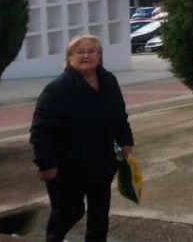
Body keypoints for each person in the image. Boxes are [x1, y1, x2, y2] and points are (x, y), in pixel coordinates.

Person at [30, 35, 134, 242]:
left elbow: (119, 114)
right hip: (67, 166)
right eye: (80, 51)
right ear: (69, 57)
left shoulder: (109, 81)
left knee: (99, 212)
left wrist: (125, 140)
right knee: (69, 210)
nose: (86, 55)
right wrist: (45, 163)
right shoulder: (57, 89)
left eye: (91, 51)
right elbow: (40, 130)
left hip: (101, 161)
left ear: (100, 56)